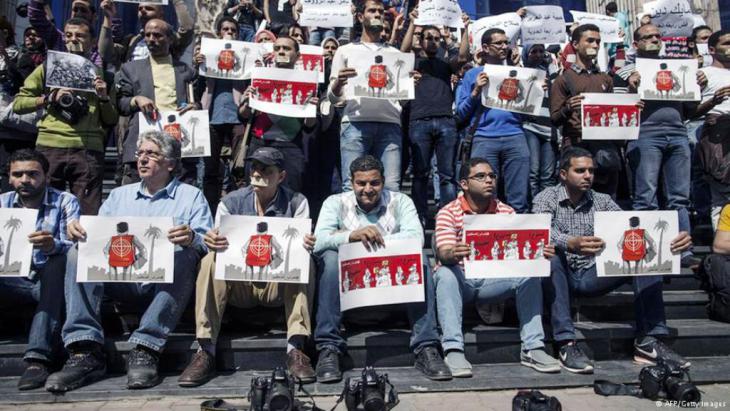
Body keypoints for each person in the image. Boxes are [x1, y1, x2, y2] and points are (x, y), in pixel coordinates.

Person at [45, 131, 213, 392]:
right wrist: (80, 233)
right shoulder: (119, 196)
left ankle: (147, 347)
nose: (142, 160)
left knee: (185, 253)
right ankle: (85, 349)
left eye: (151, 154)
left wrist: (192, 237)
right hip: (119, 280)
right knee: (76, 252)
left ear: (170, 163)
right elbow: (99, 238)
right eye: (140, 154)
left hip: (165, 285)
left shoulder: (191, 196)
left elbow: (206, 244)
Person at [533, 147, 693, 374]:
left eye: (591, 170)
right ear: (563, 174)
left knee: (645, 255)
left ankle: (648, 340)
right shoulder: (545, 198)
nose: (588, 175)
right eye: (580, 170)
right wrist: (569, 242)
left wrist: (671, 240)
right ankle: (565, 343)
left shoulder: (603, 200)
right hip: (561, 275)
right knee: (549, 254)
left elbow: (632, 229)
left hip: (593, 273)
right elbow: (539, 232)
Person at [179, 147, 317, 387]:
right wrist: (212, 241)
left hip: (278, 285)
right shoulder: (231, 202)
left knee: (305, 259)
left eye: (266, 169)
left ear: (281, 176)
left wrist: (308, 243)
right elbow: (218, 244)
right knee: (209, 260)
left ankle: (296, 348)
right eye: (254, 167)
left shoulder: (297, 202)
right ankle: (205, 349)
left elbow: (304, 245)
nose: (257, 173)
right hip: (240, 284)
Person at [313, 155, 451, 382]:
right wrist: (351, 236)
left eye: (374, 183)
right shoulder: (335, 202)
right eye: (361, 183)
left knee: (420, 259)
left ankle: (426, 345)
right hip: (350, 296)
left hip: (394, 291)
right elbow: (318, 241)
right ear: (351, 182)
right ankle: (329, 348)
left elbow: (416, 238)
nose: (368, 189)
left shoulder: (401, 201)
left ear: (383, 181)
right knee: (328, 259)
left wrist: (375, 241)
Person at [433, 157, 560, 377]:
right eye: (480, 176)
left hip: (494, 280)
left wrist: (539, 253)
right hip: (461, 279)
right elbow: (443, 252)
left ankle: (533, 347)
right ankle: (453, 348)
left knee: (531, 274)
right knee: (444, 273)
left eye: (492, 176)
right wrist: (452, 253)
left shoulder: (507, 212)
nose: (489, 180)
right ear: (464, 184)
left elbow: (519, 253)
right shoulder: (448, 212)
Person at [614, 24, 704, 262]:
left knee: (680, 197)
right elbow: (617, 111)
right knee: (646, 196)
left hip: (677, 133)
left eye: (657, 36)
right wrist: (632, 90)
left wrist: (697, 87)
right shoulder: (625, 71)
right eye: (648, 37)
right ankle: (649, 254)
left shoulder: (677, 68)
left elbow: (690, 110)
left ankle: (684, 251)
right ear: (636, 44)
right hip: (645, 135)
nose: (654, 39)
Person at [13, 18, 118, 215]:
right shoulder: (46, 69)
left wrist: (103, 98)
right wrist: (49, 97)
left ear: (93, 41)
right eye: (69, 35)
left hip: (88, 150)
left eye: (80, 35)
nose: (73, 40)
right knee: (44, 211)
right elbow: (19, 104)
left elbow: (111, 120)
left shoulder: (104, 76)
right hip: (50, 146)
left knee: (86, 214)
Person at [0, 150, 80, 391]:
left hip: (50, 280)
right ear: (9, 177)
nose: (25, 179)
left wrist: (52, 245)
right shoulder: (1, 203)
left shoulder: (65, 200)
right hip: (11, 279)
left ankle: (37, 359)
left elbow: (75, 246)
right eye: (18, 174)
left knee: (58, 261)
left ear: (46, 176)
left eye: (33, 174)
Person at [328, 0, 413, 192]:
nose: (377, 14)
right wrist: (339, 82)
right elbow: (334, 100)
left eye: (380, 12)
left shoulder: (395, 54)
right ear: (360, 17)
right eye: (372, 10)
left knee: (391, 187)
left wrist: (408, 87)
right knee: (351, 187)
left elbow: (402, 100)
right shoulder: (345, 51)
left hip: (390, 126)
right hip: (355, 125)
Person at [400, 10, 469, 224]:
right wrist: (412, 23)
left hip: (446, 122)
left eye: (436, 38)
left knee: (447, 175)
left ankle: (446, 217)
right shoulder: (412, 63)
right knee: (421, 173)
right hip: (418, 121)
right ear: (420, 41)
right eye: (428, 37)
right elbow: (402, 51)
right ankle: (420, 216)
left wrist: (466, 29)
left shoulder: (446, 64)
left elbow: (464, 57)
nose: (432, 41)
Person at [456, 28, 531, 213]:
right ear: (486, 47)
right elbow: (460, 113)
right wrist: (475, 92)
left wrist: (535, 91)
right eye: (499, 43)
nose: (504, 46)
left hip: (515, 137)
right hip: (484, 138)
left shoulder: (519, 73)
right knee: (484, 195)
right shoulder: (472, 75)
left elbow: (529, 112)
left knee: (518, 196)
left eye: (506, 43)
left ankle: (516, 234)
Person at [115, 19, 198, 185]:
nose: (151, 39)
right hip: (143, 145)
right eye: (148, 35)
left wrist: (195, 107)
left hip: (177, 145)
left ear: (170, 39)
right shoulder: (130, 69)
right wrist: (136, 99)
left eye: (157, 35)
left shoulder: (187, 71)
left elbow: (196, 103)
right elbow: (120, 104)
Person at [238, 36, 318, 193]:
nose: (281, 51)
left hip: (290, 145)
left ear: (298, 56)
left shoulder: (308, 83)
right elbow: (243, 116)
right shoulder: (260, 77)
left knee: (290, 195)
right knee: (256, 192)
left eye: (287, 48)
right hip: (260, 143)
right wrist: (247, 101)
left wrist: (311, 110)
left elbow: (309, 126)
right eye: (277, 48)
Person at [550, 24, 621, 198]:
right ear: (575, 44)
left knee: (607, 197)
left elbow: (614, 112)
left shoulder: (605, 78)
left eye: (598, 41)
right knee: (577, 196)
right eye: (590, 41)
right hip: (576, 145)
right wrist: (568, 108)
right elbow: (555, 118)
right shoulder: (563, 80)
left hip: (604, 147)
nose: (595, 45)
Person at [195, 16, 247, 215]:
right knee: (210, 170)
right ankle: (210, 210)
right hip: (212, 118)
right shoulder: (208, 57)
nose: (229, 33)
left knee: (239, 169)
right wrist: (198, 65)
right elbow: (196, 87)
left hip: (237, 118)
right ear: (219, 34)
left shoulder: (245, 58)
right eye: (225, 29)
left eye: (233, 30)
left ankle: (238, 212)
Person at [694, 29, 730, 230]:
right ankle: (723, 245)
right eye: (727, 44)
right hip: (718, 133)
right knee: (722, 193)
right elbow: (690, 112)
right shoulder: (704, 74)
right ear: (712, 49)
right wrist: (713, 101)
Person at [98, 0, 194, 65]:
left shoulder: (169, 39)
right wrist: (108, 17)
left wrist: (177, 2)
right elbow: (106, 54)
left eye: (149, 8)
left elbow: (187, 28)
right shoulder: (131, 41)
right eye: (140, 9)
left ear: (161, 15)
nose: (143, 10)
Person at [522, 43, 558, 201]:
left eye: (540, 51)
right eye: (533, 51)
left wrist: (551, 65)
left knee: (548, 175)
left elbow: (558, 88)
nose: (537, 55)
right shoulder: (521, 73)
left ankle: (547, 209)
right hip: (531, 127)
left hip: (549, 129)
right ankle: (533, 210)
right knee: (533, 173)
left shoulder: (549, 73)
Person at [27, 0, 104, 66]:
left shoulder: (97, 50)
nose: (78, 13)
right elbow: (35, 17)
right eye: (75, 9)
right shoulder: (58, 38)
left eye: (83, 10)